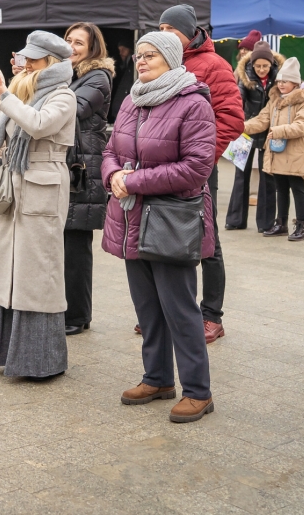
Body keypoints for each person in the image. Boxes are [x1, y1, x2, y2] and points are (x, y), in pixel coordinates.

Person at [101, 31, 217, 422]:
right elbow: (110, 150)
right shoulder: (132, 99)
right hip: (132, 216)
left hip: (170, 219)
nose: (141, 60)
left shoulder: (192, 102)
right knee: (147, 308)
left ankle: (198, 391)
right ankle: (158, 378)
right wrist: (113, 175)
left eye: (150, 54)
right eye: (139, 55)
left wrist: (134, 181)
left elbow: (196, 168)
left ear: (170, 58)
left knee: (180, 310)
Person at [0, 30, 76, 378]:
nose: (25, 64)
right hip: (15, 185)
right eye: (24, 58)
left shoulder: (63, 95)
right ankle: (12, 355)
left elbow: (39, 124)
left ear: (51, 62)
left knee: (38, 271)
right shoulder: (22, 91)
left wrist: (5, 94)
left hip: (43, 184)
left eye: (33, 59)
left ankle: (43, 361)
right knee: (11, 269)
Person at [159, 4, 244, 343]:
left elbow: (231, 118)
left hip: (197, 168)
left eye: (171, 29)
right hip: (163, 168)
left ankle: (211, 315)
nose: (164, 35)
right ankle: (170, 312)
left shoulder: (214, 64)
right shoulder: (161, 62)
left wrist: (203, 156)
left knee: (207, 242)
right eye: (160, 29)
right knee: (165, 238)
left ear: (189, 32)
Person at [62, 22, 113, 336]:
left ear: (93, 48)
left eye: (78, 42)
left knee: (76, 247)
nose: (71, 46)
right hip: (71, 164)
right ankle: (68, 310)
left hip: (84, 168)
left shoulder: (98, 76)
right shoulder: (70, 75)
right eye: (68, 40)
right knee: (65, 244)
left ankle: (78, 315)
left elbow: (73, 109)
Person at [242, 57, 304, 242]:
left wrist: (277, 131)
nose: (281, 84)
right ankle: (281, 223)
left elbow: (302, 126)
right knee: (281, 189)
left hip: (295, 153)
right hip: (277, 152)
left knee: (297, 188)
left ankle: (301, 226)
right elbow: (262, 120)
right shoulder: (275, 100)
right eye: (279, 81)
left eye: (286, 81)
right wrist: (240, 127)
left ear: (295, 82)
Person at [225, 41, 282, 232]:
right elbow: (238, 98)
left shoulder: (278, 77)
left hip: (269, 131)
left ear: (272, 64)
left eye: (265, 66)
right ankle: (235, 220)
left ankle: (266, 223)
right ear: (252, 64)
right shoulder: (245, 76)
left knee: (268, 176)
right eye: (258, 66)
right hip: (246, 130)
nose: (262, 70)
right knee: (240, 175)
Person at [108, 43, 134, 123]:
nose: (121, 52)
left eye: (124, 49)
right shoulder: (123, 66)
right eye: (119, 50)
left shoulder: (133, 66)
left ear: (130, 49)